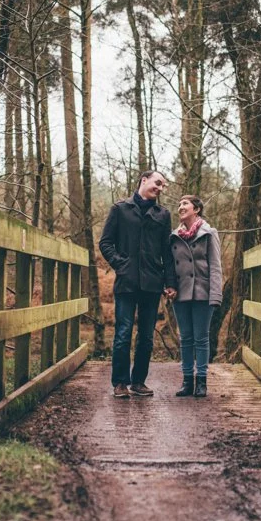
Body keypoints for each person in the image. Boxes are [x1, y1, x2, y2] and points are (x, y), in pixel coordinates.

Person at [99, 170, 178, 398]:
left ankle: (139, 382)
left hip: (152, 284)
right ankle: (120, 383)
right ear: (144, 180)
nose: (160, 188)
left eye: (163, 185)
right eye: (157, 183)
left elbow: (167, 251)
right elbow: (105, 243)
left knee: (146, 336)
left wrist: (170, 281)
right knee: (123, 333)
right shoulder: (120, 209)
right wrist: (120, 264)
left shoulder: (162, 215)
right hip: (126, 282)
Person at [168, 194, 223, 398]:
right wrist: (169, 286)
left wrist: (215, 295)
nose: (180, 207)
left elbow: (216, 266)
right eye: (179, 203)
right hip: (180, 293)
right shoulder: (174, 236)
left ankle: (201, 382)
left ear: (196, 209)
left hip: (203, 292)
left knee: (201, 338)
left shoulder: (209, 233)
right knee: (185, 339)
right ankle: (186, 382)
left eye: (185, 204)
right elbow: (170, 267)